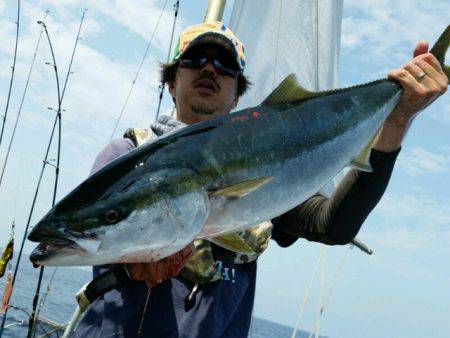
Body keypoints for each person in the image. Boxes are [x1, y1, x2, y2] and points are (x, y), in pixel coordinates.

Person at [74, 22, 448, 337]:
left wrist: (397, 121)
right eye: (194, 60)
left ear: (237, 95)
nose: (210, 68)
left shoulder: (270, 164)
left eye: (224, 65)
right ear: (171, 83)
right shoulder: (127, 158)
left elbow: (334, 225)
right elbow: (92, 242)